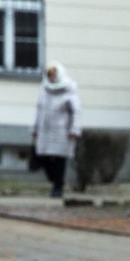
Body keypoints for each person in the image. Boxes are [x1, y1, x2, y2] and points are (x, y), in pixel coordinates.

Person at [31, 62, 82, 198]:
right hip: (45, 129)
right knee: (45, 158)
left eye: (54, 74)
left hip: (62, 131)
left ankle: (58, 187)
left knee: (59, 160)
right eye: (49, 74)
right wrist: (35, 128)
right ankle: (54, 180)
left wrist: (74, 129)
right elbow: (39, 109)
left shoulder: (68, 90)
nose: (52, 77)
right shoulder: (44, 89)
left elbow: (76, 112)